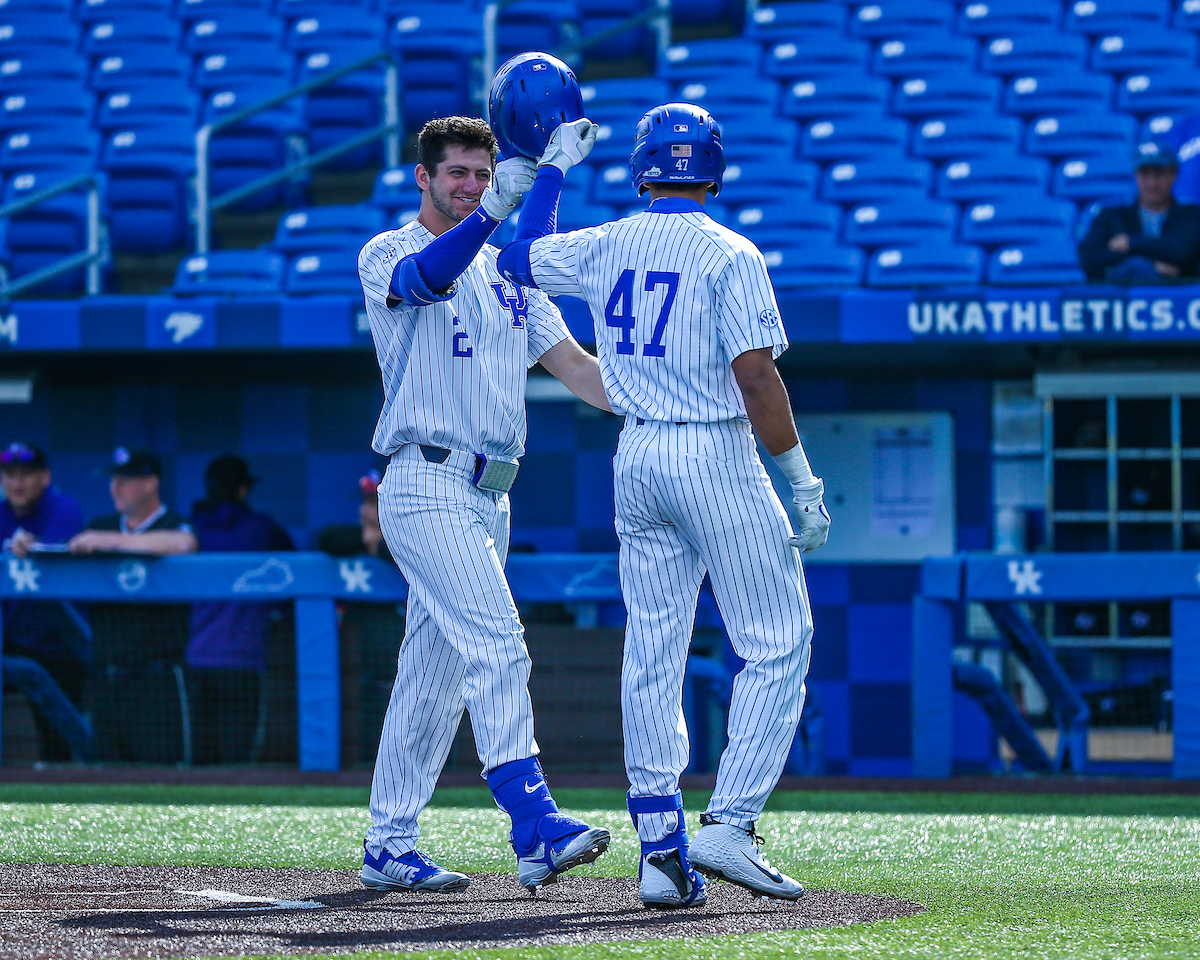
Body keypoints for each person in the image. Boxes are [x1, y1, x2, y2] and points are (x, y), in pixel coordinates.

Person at [496, 101, 829, 909]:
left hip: (638, 450)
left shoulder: (609, 241)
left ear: (644, 167)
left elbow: (515, 258)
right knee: (780, 638)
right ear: (712, 166)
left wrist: (551, 171)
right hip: (711, 448)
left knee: (653, 652)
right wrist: (801, 479)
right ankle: (733, 822)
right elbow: (756, 377)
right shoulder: (730, 250)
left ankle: (661, 852)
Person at [355, 94, 614, 896]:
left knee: (431, 679)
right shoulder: (386, 249)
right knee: (501, 643)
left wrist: (668, 400)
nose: (470, 185)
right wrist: (506, 203)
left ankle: (389, 842)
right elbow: (426, 280)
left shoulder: (509, 269)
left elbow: (576, 368)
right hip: (425, 478)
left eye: (482, 173)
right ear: (423, 177)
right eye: (457, 174)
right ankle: (532, 823)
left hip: (491, 495)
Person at [70, 447, 198, 764]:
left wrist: (112, 542)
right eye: (113, 480)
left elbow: (184, 544)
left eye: (125, 480)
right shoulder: (101, 524)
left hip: (158, 678)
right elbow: (62, 549)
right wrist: (27, 545)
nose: (115, 488)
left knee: (164, 782)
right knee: (108, 783)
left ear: (151, 483)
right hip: (107, 676)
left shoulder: (175, 522)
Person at [186, 455, 293, 765]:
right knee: (238, 763)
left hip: (197, 657)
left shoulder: (189, 530)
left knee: (201, 762)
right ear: (243, 490)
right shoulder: (261, 528)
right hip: (244, 660)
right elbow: (291, 581)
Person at [0, 442, 87, 761]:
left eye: (26, 475)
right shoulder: (1, 513)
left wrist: (31, 546)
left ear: (44, 478)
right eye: (10, 475)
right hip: (11, 639)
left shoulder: (63, 508)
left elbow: (49, 550)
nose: (17, 484)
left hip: (61, 644)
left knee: (58, 743)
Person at [1078, 140, 1200, 282]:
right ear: (1135, 175)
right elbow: (1089, 258)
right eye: (1145, 174)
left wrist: (1131, 243)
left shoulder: (1192, 215)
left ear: (1173, 175)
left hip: (1177, 299)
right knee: (1136, 267)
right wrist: (1154, 265)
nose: (1152, 183)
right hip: (1124, 299)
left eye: (1159, 174)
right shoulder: (1111, 216)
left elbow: (1186, 253)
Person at [317, 470, 392, 562]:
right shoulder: (362, 534)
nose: (363, 510)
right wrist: (366, 539)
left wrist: (379, 545)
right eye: (364, 501)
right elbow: (326, 538)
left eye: (372, 502)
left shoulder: (411, 534)